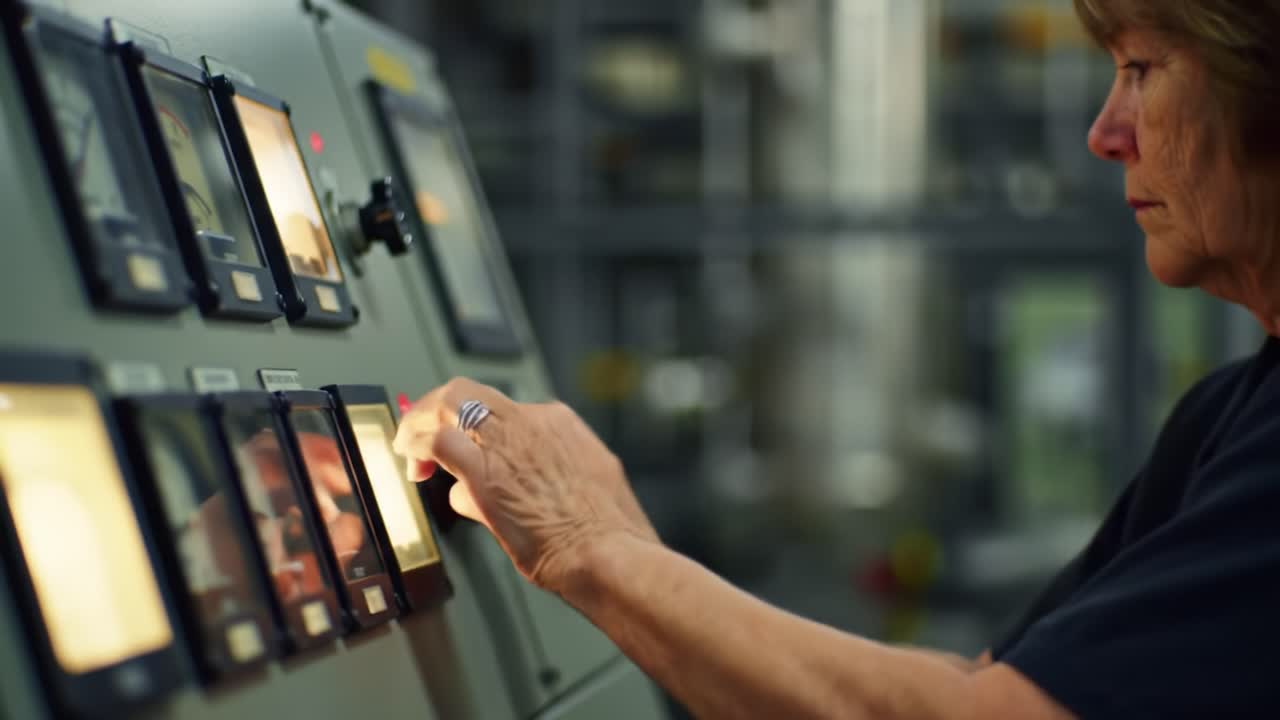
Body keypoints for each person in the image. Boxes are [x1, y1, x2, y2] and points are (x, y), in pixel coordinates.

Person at [393, 0, 1280, 717]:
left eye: (1141, 70)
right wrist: (622, 542)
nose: (1105, 132)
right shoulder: (1229, 412)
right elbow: (982, 685)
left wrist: (587, 548)